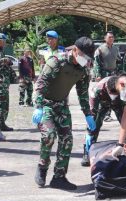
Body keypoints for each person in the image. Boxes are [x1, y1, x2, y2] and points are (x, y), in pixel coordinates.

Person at [32, 37, 96, 190]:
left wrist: (88, 114)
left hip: (61, 105)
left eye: (88, 57)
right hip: (46, 103)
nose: (84, 59)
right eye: (82, 54)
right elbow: (41, 83)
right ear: (74, 50)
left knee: (67, 140)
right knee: (49, 135)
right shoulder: (57, 61)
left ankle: (59, 177)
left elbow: (82, 93)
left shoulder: (83, 69)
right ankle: (42, 167)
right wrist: (38, 106)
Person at [81, 74, 126, 166]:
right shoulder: (97, 90)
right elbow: (92, 110)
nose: (113, 96)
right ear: (107, 89)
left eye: (115, 94)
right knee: (94, 124)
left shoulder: (124, 88)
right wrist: (90, 126)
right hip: (103, 103)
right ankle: (87, 152)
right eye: (112, 94)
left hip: (120, 104)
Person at [92, 31, 121, 122]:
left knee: (114, 93)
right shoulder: (100, 49)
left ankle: (113, 113)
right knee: (104, 94)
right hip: (104, 74)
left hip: (113, 74)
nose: (111, 39)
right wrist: (98, 75)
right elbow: (96, 63)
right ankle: (104, 114)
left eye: (112, 37)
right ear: (105, 38)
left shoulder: (116, 49)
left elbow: (119, 61)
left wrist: (120, 74)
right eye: (109, 37)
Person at [0, 33, 14, 131]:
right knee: (0, 103)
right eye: (3, 40)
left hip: (4, 83)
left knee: (4, 104)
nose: (4, 42)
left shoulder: (1, 51)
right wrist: (5, 60)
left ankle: (2, 123)